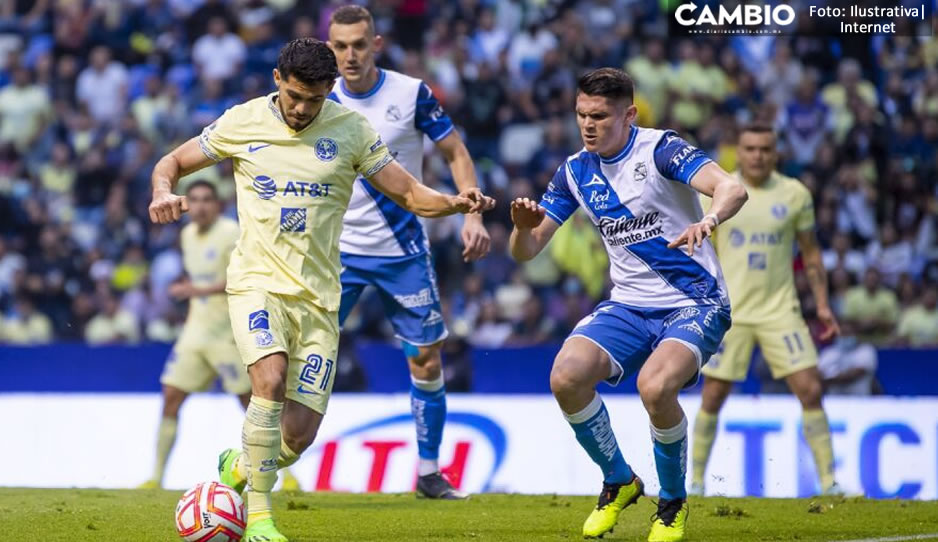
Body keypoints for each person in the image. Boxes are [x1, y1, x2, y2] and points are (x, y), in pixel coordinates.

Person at [148, 38, 493, 542]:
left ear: (330, 90)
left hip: (318, 298)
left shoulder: (351, 130)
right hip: (256, 284)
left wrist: (458, 203)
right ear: (276, 81)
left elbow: (410, 193)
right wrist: (162, 191)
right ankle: (260, 517)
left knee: (298, 436)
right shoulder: (241, 121)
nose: (301, 109)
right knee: (268, 380)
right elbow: (170, 163)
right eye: (293, 96)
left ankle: (241, 466)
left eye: (313, 99)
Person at [508, 68, 747, 541]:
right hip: (630, 305)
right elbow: (528, 250)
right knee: (566, 377)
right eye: (581, 115)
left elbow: (732, 187)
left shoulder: (661, 149)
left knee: (655, 388)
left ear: (629, 114)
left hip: (694, 301)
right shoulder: (575, 171)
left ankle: (673, 502)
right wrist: (520, 226)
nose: (588, 125)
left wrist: (711, 219)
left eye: (599, 115)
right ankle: (619, 481)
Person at [326, 5, 490, 500]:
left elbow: (456, 152)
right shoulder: (317, 100)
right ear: (329, 48)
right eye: (340, 46)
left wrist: (473, 213)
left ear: (376, 44)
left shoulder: (411, 93)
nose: (350, 55)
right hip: (336, 254)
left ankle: (427, 472)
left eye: (359, 44)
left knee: (425, 359)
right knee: (304, 358)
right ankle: (269, 462)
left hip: (403, 251)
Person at [690, 124, 843, 497]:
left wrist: (822, 304)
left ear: (776, 154)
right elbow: (700, 250)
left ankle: (829, 484)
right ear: (738, 152)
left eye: (765, 149)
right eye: (750, 148)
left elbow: (810, 253)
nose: (757, 155)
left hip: (781, 311)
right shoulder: (719, 192)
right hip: (731, 312)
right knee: (712, 395)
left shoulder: (794, 194)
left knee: (810, 390)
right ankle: (694, 482)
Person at [139, 180, 255, 489]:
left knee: (253, 405)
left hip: (228, 333)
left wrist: (196, 289)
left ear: (217, 205)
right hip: (196, 330)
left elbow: (245, 278)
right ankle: (156, 477)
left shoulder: (232, 232)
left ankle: (287, 476)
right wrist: (190, 292)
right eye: (195, 200)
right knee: (171, 397)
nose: (201, 206)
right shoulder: (187, 235)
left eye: (207, 200)